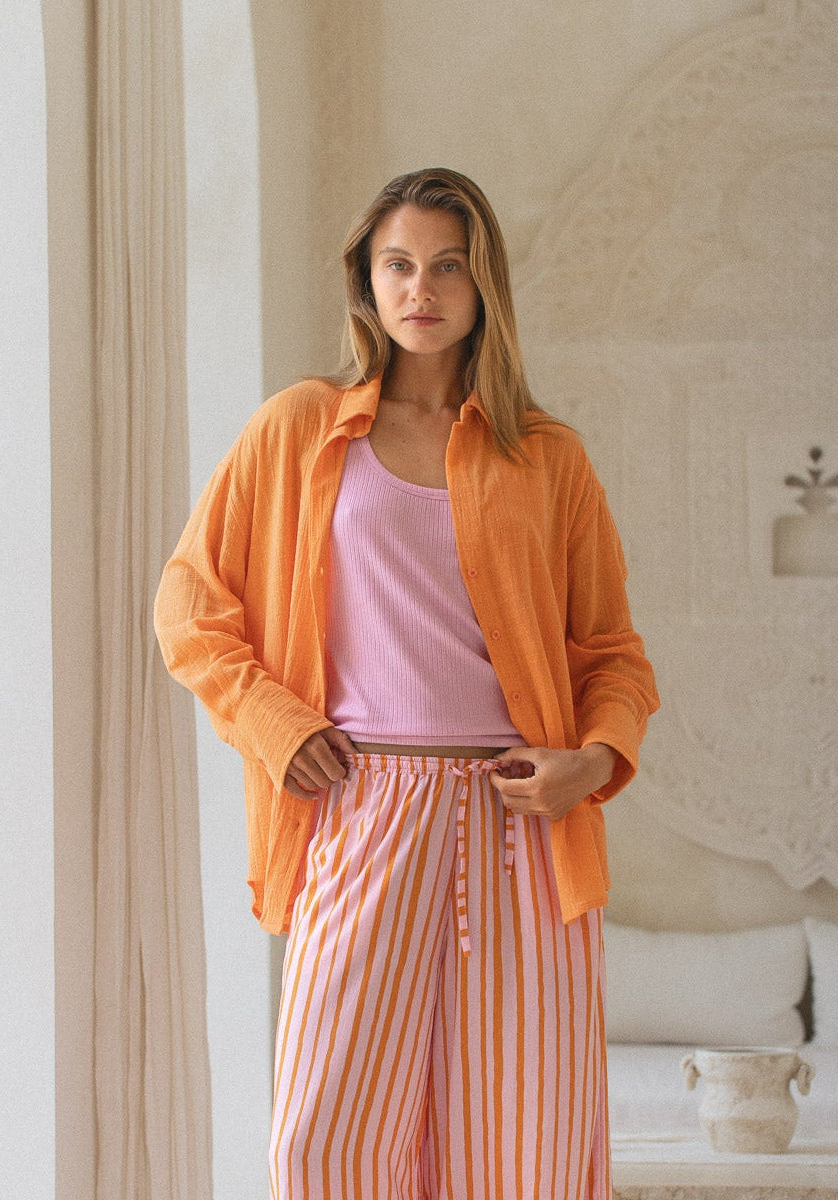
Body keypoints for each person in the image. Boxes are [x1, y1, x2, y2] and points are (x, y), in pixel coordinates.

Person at [154, 167, 659, 1200]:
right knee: (321, 1147)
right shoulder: (300, 429)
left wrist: (593, 764)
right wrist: (276, 724)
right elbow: (189, 605)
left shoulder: (548, 458)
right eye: (398, 265)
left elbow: (612, 652)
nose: (419, 288)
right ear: (367, 282)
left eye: (445, 267)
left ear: (483, 289)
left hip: (521, 819)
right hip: (363, 803)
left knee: (522, 1154)